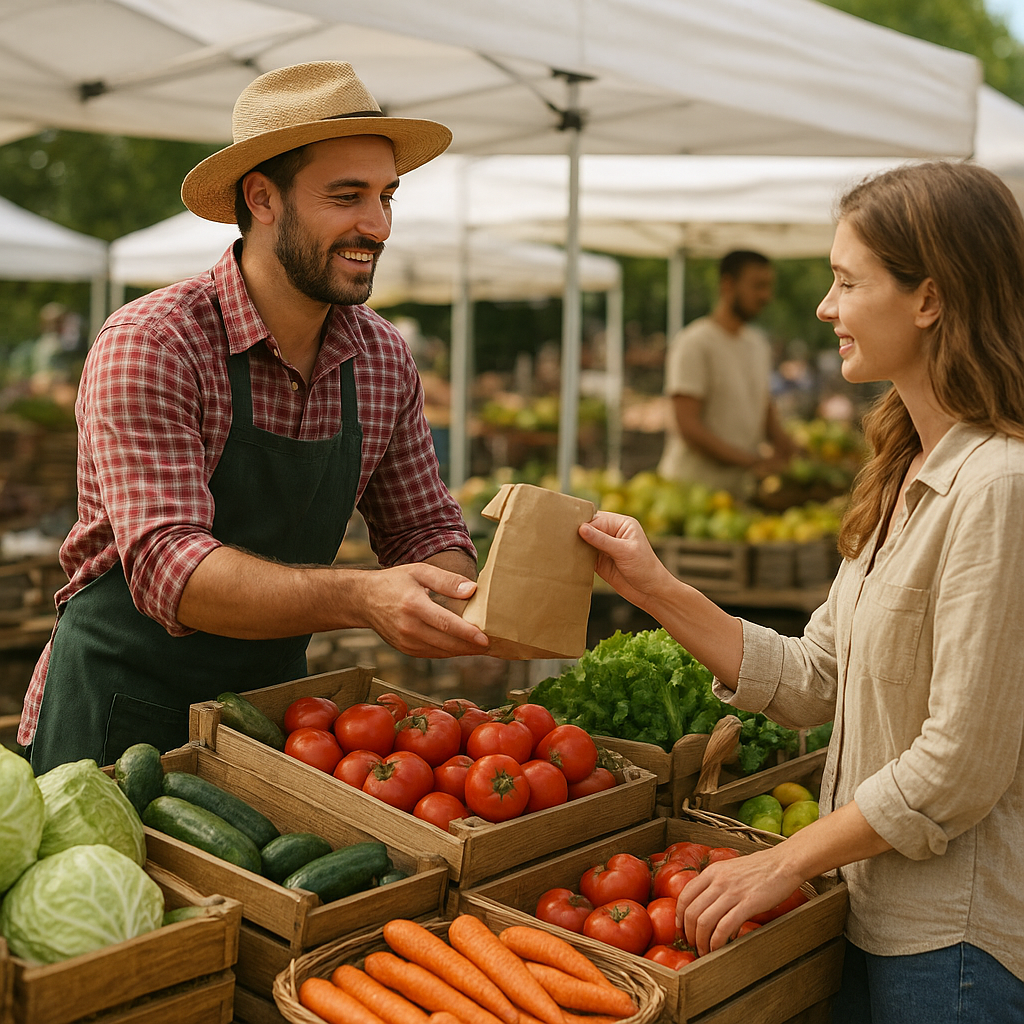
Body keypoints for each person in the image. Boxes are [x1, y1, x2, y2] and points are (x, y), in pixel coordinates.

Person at [580, 161, 1024, 1022]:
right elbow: (814, 677)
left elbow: (961, 764)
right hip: (864, 915)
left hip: (953, 948)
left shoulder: (998, 487)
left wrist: (787, 859)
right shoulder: (907, 472)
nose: (823, 307)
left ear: (929, 299)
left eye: (846, 281)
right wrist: (655, 586)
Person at [20, 61, 491, 774]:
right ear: (262, 198)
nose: (378, 225)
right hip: (118, 708)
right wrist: (366, 596)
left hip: (270, 720)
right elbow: (170, 568)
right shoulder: (155, 342)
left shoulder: (383, 358)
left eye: (387, 196)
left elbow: (425, 526)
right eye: (347, 196)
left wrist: (456, 597)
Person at [657, 250, 798, 498]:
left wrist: (784, 444)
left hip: (738, 492)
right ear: (728, 285)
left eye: (768, 287)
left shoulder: (757, 344)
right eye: (758, 286)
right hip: (690, 494)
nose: (766, 296)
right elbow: (687, 425)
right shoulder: (694, 342)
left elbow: (761, 403)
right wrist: (752, 461)